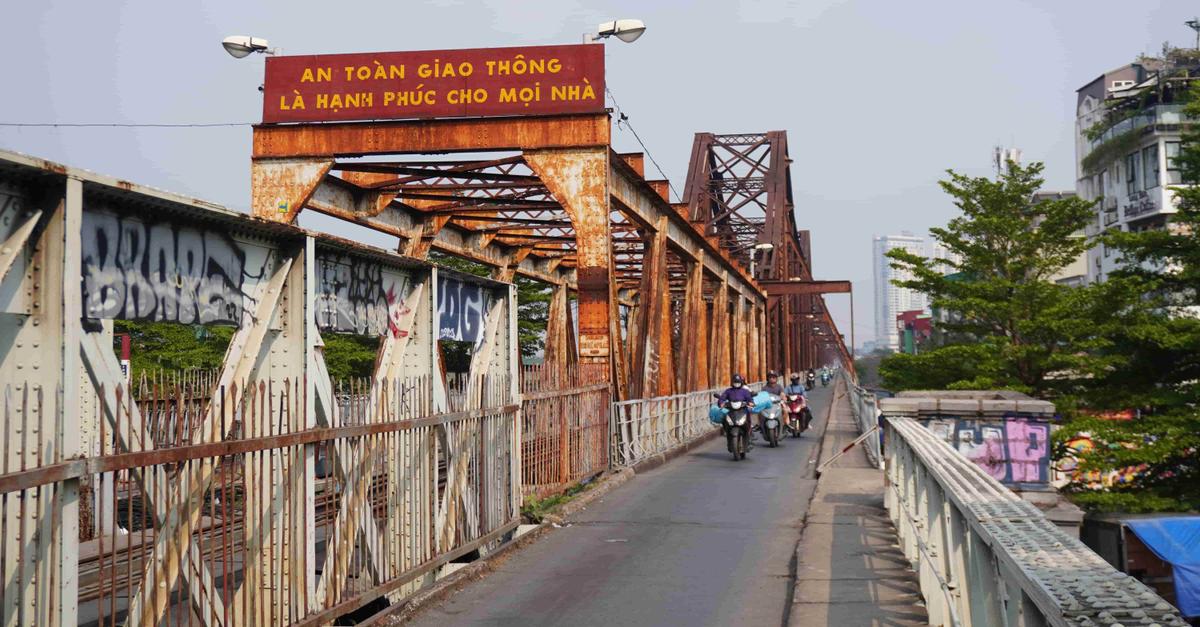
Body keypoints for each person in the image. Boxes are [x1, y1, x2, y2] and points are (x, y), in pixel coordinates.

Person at [718, 373, 756, 448]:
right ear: (732, 382)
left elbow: (749, 398)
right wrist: (721, 403)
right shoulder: (728, 391)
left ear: (741, 382)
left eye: (738, 382)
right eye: (735, 382)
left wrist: (751, 403)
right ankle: (727, 433)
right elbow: (722, 398)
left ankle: (749, 434)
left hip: (742, 410)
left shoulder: (745, 391)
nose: (736, 384)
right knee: (724, 420)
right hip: (731, 411)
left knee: (748, 419)